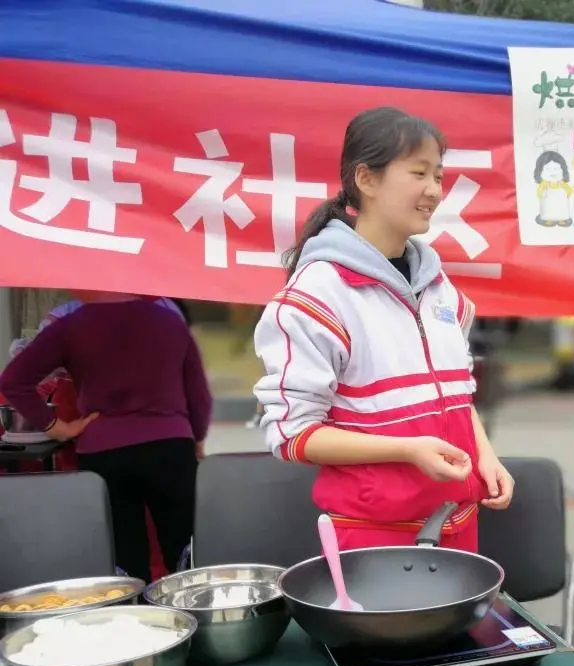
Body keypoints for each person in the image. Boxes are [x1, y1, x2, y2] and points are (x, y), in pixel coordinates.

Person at [253, 107, 513, 553]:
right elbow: (293, 434)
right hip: (375, 537)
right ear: (367, 180)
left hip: (458, 522)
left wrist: (485, 455)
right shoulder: (318, 295)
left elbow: (456, 393)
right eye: (419, 173)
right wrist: (406, 450)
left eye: (439, 176)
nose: (434, 191)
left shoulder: (438, 287)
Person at [0, 294, 212, 583]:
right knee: (184, 550)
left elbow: (14, 380)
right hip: (170, 448)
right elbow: (198, 394)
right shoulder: (170, 322)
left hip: (103, 453)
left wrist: (56, 427)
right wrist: (196, 436)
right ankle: (190, 619)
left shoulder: (70, 325)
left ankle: (131, 620)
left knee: (123, 555)